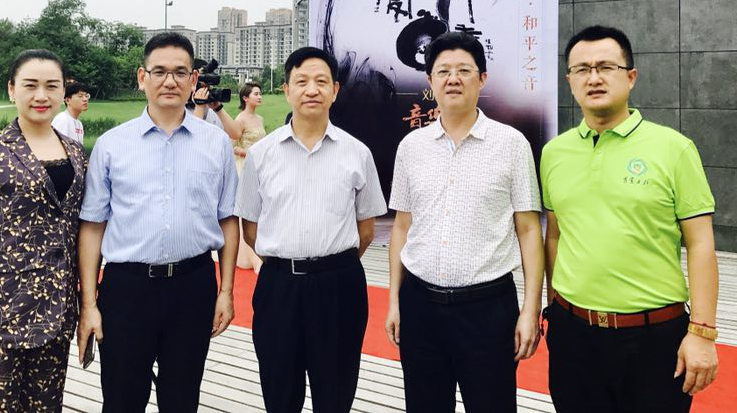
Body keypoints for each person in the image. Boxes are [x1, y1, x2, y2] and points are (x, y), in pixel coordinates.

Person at [542, 25, 719, 413]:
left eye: (606, 67)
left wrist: (703, 332)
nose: (594, 78)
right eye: (582, 69)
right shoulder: (554, 153)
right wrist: (554, 308)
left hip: (654, 337)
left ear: (631, 77)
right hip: (573, 336)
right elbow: (554, 235)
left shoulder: (673, 148)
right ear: (569, 81)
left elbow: (701, 242)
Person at [76, 32, 239, 413]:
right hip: (127, 289)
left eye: (180, 72)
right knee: (121, 399)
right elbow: (93, 226)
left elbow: (228, 218)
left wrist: (227, 291)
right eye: (160, 72)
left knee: (182, 398)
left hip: (193, 286)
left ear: (194, 80)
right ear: (142, 77)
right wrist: (89, 304)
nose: (170, 81)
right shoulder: (112, 145)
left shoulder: (215, 144)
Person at [384, 31, 544, 412]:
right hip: (420, 306)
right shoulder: (411, 147)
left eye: (463, 71)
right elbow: (402, 227)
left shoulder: (512, 145)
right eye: (443, 71)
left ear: (482, 78)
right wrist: (394, 300)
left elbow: (528, 230)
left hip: (488, 311)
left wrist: (531, 308)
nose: (452, 79)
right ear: (430, 81)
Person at [235, 46, 387, 413]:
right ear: (287, 90)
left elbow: (366, 230)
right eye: (301, 81)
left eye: (321, 81)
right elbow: (250, 229)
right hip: (279, 288)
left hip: (339, 286)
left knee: (335, 394)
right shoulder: (262, 154)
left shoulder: (357, 153)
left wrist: (329, 263)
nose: (312, 90)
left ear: (335, 90)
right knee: (280, 392)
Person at [0, 49, 87, 412]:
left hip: (58, 313)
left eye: (51, 86)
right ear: (12, 90)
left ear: (63, 91)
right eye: (30, 85)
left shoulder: (76, 153)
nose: (41, 95)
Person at [230, 81, 265, 271]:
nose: (259, 97)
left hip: (260, 167)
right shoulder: (240, 119)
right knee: (247, 210)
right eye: (256, 94)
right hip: (243, 167)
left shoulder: (260, 118)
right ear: (245, 98)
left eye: (260, 94)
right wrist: (249, 153)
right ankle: (248, 257)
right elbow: (232, 146)